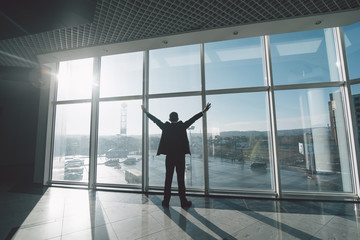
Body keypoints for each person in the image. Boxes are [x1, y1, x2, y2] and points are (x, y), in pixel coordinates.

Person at [141, 103, 211, 208]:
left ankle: (166, 201)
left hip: (169, 157)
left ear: (169, 119)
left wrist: (146, 112)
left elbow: (155, 120)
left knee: (168, 179)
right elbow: (193, 119)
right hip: (180, 157)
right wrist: (203, 111)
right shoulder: (182, 126)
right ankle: (183, 202)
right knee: (181, 180)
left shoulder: (165, 126)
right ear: (178, 118)